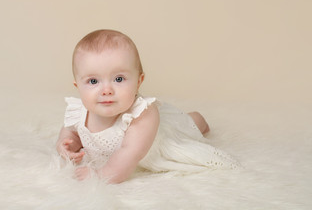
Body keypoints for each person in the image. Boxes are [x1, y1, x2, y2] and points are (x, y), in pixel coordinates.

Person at [56, 29, 239, 184]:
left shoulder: (142, 115)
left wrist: (100, 175)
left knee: (186, 125)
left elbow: (129, 153)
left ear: (139, 81)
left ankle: (196, 119)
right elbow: (71, 132)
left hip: (160, 140)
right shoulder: (79, 111)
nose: (106, 90)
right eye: (93, 81)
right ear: (78, 86)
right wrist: (65, 145)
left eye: (119, 79)